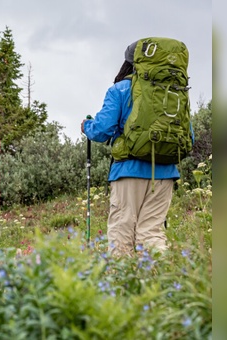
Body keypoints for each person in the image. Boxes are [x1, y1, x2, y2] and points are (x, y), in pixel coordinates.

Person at [81, 40, 193, 257]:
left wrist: (87, 126)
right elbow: (190, 136)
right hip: (166, 171)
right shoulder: (175, 92)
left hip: (128, 171)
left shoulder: (120, 89)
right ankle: (158, 281)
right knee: (152, 232)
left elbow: (102, 130)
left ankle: (123, 286)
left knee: (122, 230)